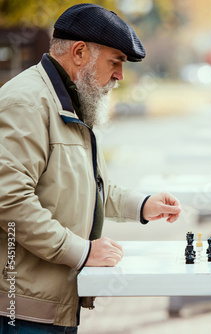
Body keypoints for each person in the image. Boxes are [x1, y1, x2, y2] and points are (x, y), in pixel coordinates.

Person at [0, 4, 181, 332]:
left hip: (53, 301)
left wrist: (142, 205)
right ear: (80, 52)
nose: (120, 76)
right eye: (116, 62)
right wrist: (82, 251)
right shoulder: (26, 104)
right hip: (21, 308)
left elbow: (92, 187)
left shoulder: (68, 102)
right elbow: (10, 203)